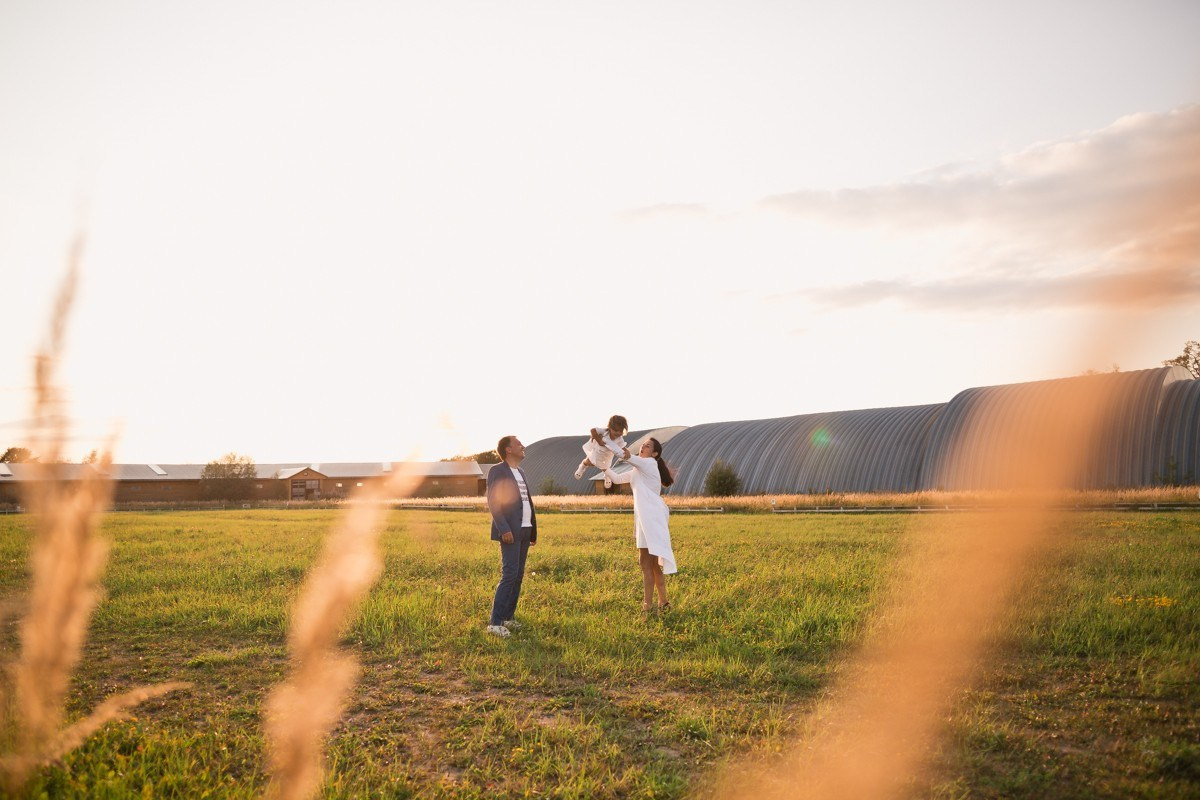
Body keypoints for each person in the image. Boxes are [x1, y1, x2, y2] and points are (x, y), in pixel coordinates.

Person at [603, 437, 676, 612]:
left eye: (647, 446)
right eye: (643, 444)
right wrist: (602, 466)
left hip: (651, 519)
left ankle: (647, 606)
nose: (643, 446)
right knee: (650, 563)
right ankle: (663, 602)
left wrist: (604, 440)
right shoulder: (639, 469)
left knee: (646, 563)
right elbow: (618, 479)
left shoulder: (649, 463)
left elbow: (624, 454)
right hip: (646, 519)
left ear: (655, 453)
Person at [485, 435, 537, 638]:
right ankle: (495, 622)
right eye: (518, 444)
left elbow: (527, 503)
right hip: (510, 531)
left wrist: (532, 530)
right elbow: (493, 501)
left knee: (518, 575)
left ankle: (508, 618)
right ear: (508, 449)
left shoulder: (521, 472)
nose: (523, 446)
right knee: (509, 574)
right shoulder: (497, 471)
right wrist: (504, 528)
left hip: (525, 529)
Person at [573, 414, 629, 489]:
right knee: (588, 462)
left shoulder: (619, 439)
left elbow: (623, 447)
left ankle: (607, 477)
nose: (618, 433)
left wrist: (627, 451)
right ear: (610, 428)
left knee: (605, 468)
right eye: (616, 430)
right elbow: (592, 430)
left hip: (606, 457)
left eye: (621, 431)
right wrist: (598, 440)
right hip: (597, 453)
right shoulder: (604, 432)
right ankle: (582, 467)